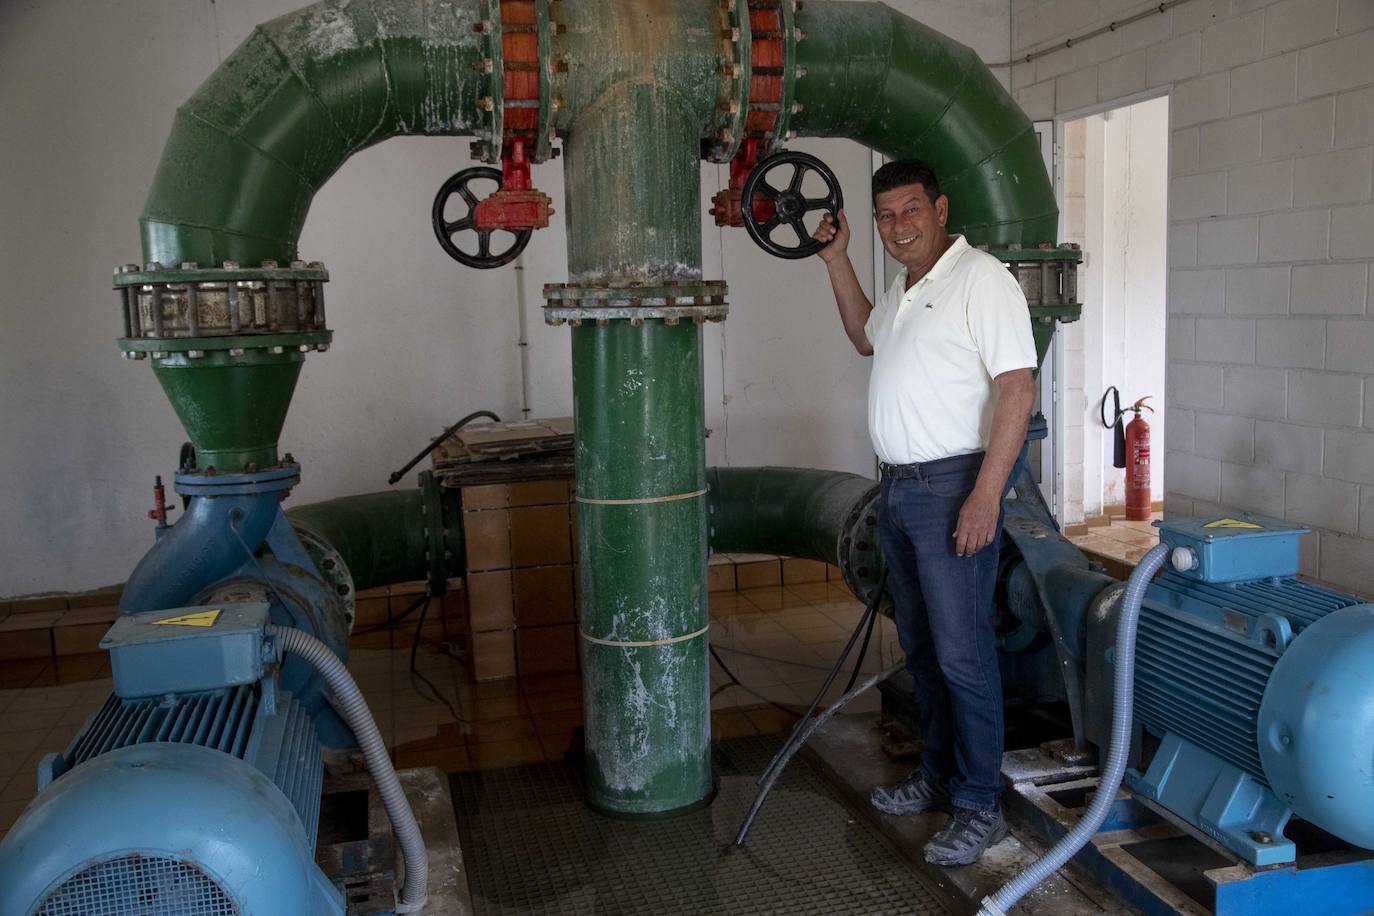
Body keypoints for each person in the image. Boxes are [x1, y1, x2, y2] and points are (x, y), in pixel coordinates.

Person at [813, 159, 1037, 866]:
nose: (898, 226)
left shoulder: (981, 280)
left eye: (911, 210)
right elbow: (862, 336)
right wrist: (835, 257)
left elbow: (1018, 390)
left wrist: (984, 494)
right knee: (925, 648)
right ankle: (937, 776)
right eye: (885, 216)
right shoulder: (907, 290)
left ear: (940, 209)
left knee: (965, 655)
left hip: (951, 487)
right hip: (901, 491)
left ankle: (979, 805)